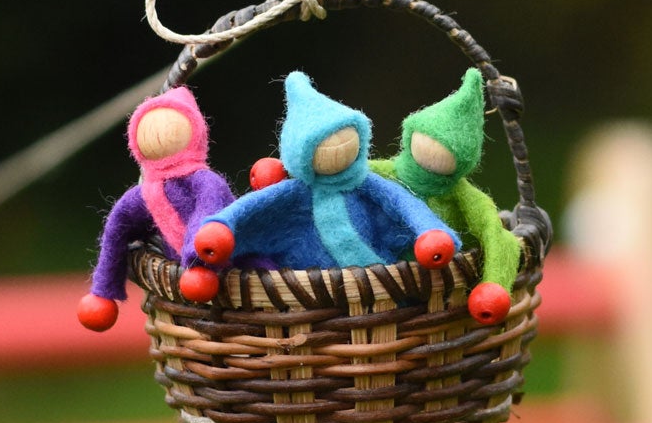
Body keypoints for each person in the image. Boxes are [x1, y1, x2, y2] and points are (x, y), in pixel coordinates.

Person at [181, 71, 455, 284]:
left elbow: (402, 203)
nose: (336, 147)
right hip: (309, 290)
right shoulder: (293, 192)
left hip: (385, 284)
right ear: (300, 154)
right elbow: (256, 206)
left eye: (347, 135)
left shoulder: (366, 183)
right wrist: (224, 226)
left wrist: (428, 230)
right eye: (320, 143)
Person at [78, 87, 236, 330]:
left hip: (234, 262)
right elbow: (116, 228)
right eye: (148, 128)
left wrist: (197, 259)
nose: (158, 135)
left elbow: (208, 213)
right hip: (187, 289)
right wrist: (103, 290)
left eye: (169, 127)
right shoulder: (145, 193)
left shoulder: (205, 182)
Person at [374, 67, 523, 323]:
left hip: (441, 289)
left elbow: (495, 234)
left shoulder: (464, 197)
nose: (433, 151)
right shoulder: (389, 172)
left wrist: (494, 284)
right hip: (379, 271)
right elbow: (353, 173)